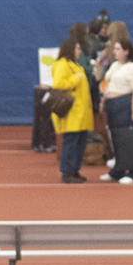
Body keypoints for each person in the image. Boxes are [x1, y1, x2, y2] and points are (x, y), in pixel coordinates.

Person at [100, 37, 133, 185]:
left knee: (129, 140)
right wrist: (103, 101)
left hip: (125, 105)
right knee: (116, 140)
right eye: (115, 49)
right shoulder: (114, 65)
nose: (115, 51)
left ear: (127, 51)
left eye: (118, 49)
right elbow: (107, 84)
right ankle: (118, 171)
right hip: (112, 106)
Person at [49, 36, 92, 183]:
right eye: (77, 48)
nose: (79, 51)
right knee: (71, 142)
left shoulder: (75, 65)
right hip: (72, 112)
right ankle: (67, 172)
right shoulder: (62, 65)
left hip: (81, 112)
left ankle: (75, 170)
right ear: (70, 49)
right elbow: (59, 84)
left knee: (80, 143)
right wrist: (76, 79)